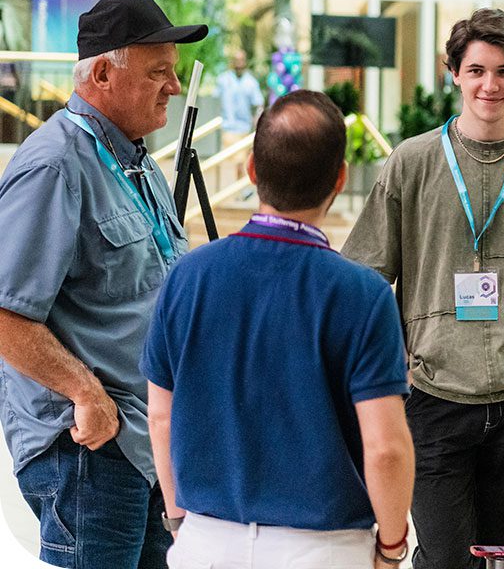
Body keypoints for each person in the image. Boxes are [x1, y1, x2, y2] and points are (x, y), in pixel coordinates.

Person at [342, 8, 504, 568]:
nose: (491, 84)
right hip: (434, 393)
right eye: (477, 70)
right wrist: (391, 366)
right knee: (445, 560)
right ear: (455, 74)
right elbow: (366, 277)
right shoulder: (410, 163)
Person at [140, 89, 415, 569]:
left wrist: (180, 522)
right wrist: (391, 548)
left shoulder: (189, 275)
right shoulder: (362, 294)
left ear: (251, 170)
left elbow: (160, 416)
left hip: (206, 540)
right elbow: (386, 448)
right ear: (340, 179)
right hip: (323, 549)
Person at [0, 0, 208, 569]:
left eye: (174, 72)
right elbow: (5, 314)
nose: (173, 86)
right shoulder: (54, 166)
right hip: (89, 449)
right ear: (100, 74)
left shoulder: (137, 162)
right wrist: (86, 394)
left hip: (146, 445)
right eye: (158, 72)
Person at [214, 49, 264, 178]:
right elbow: (214, 99)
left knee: (241, 162)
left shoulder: (251, 82)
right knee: (227, 162)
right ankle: (228, 190)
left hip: (244, 127)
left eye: (241, 60)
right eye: (236, 60)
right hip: (227, 126)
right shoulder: (223, 79)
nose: (239, 64)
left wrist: (256, 122)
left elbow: (258, 104)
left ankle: (239, 192)